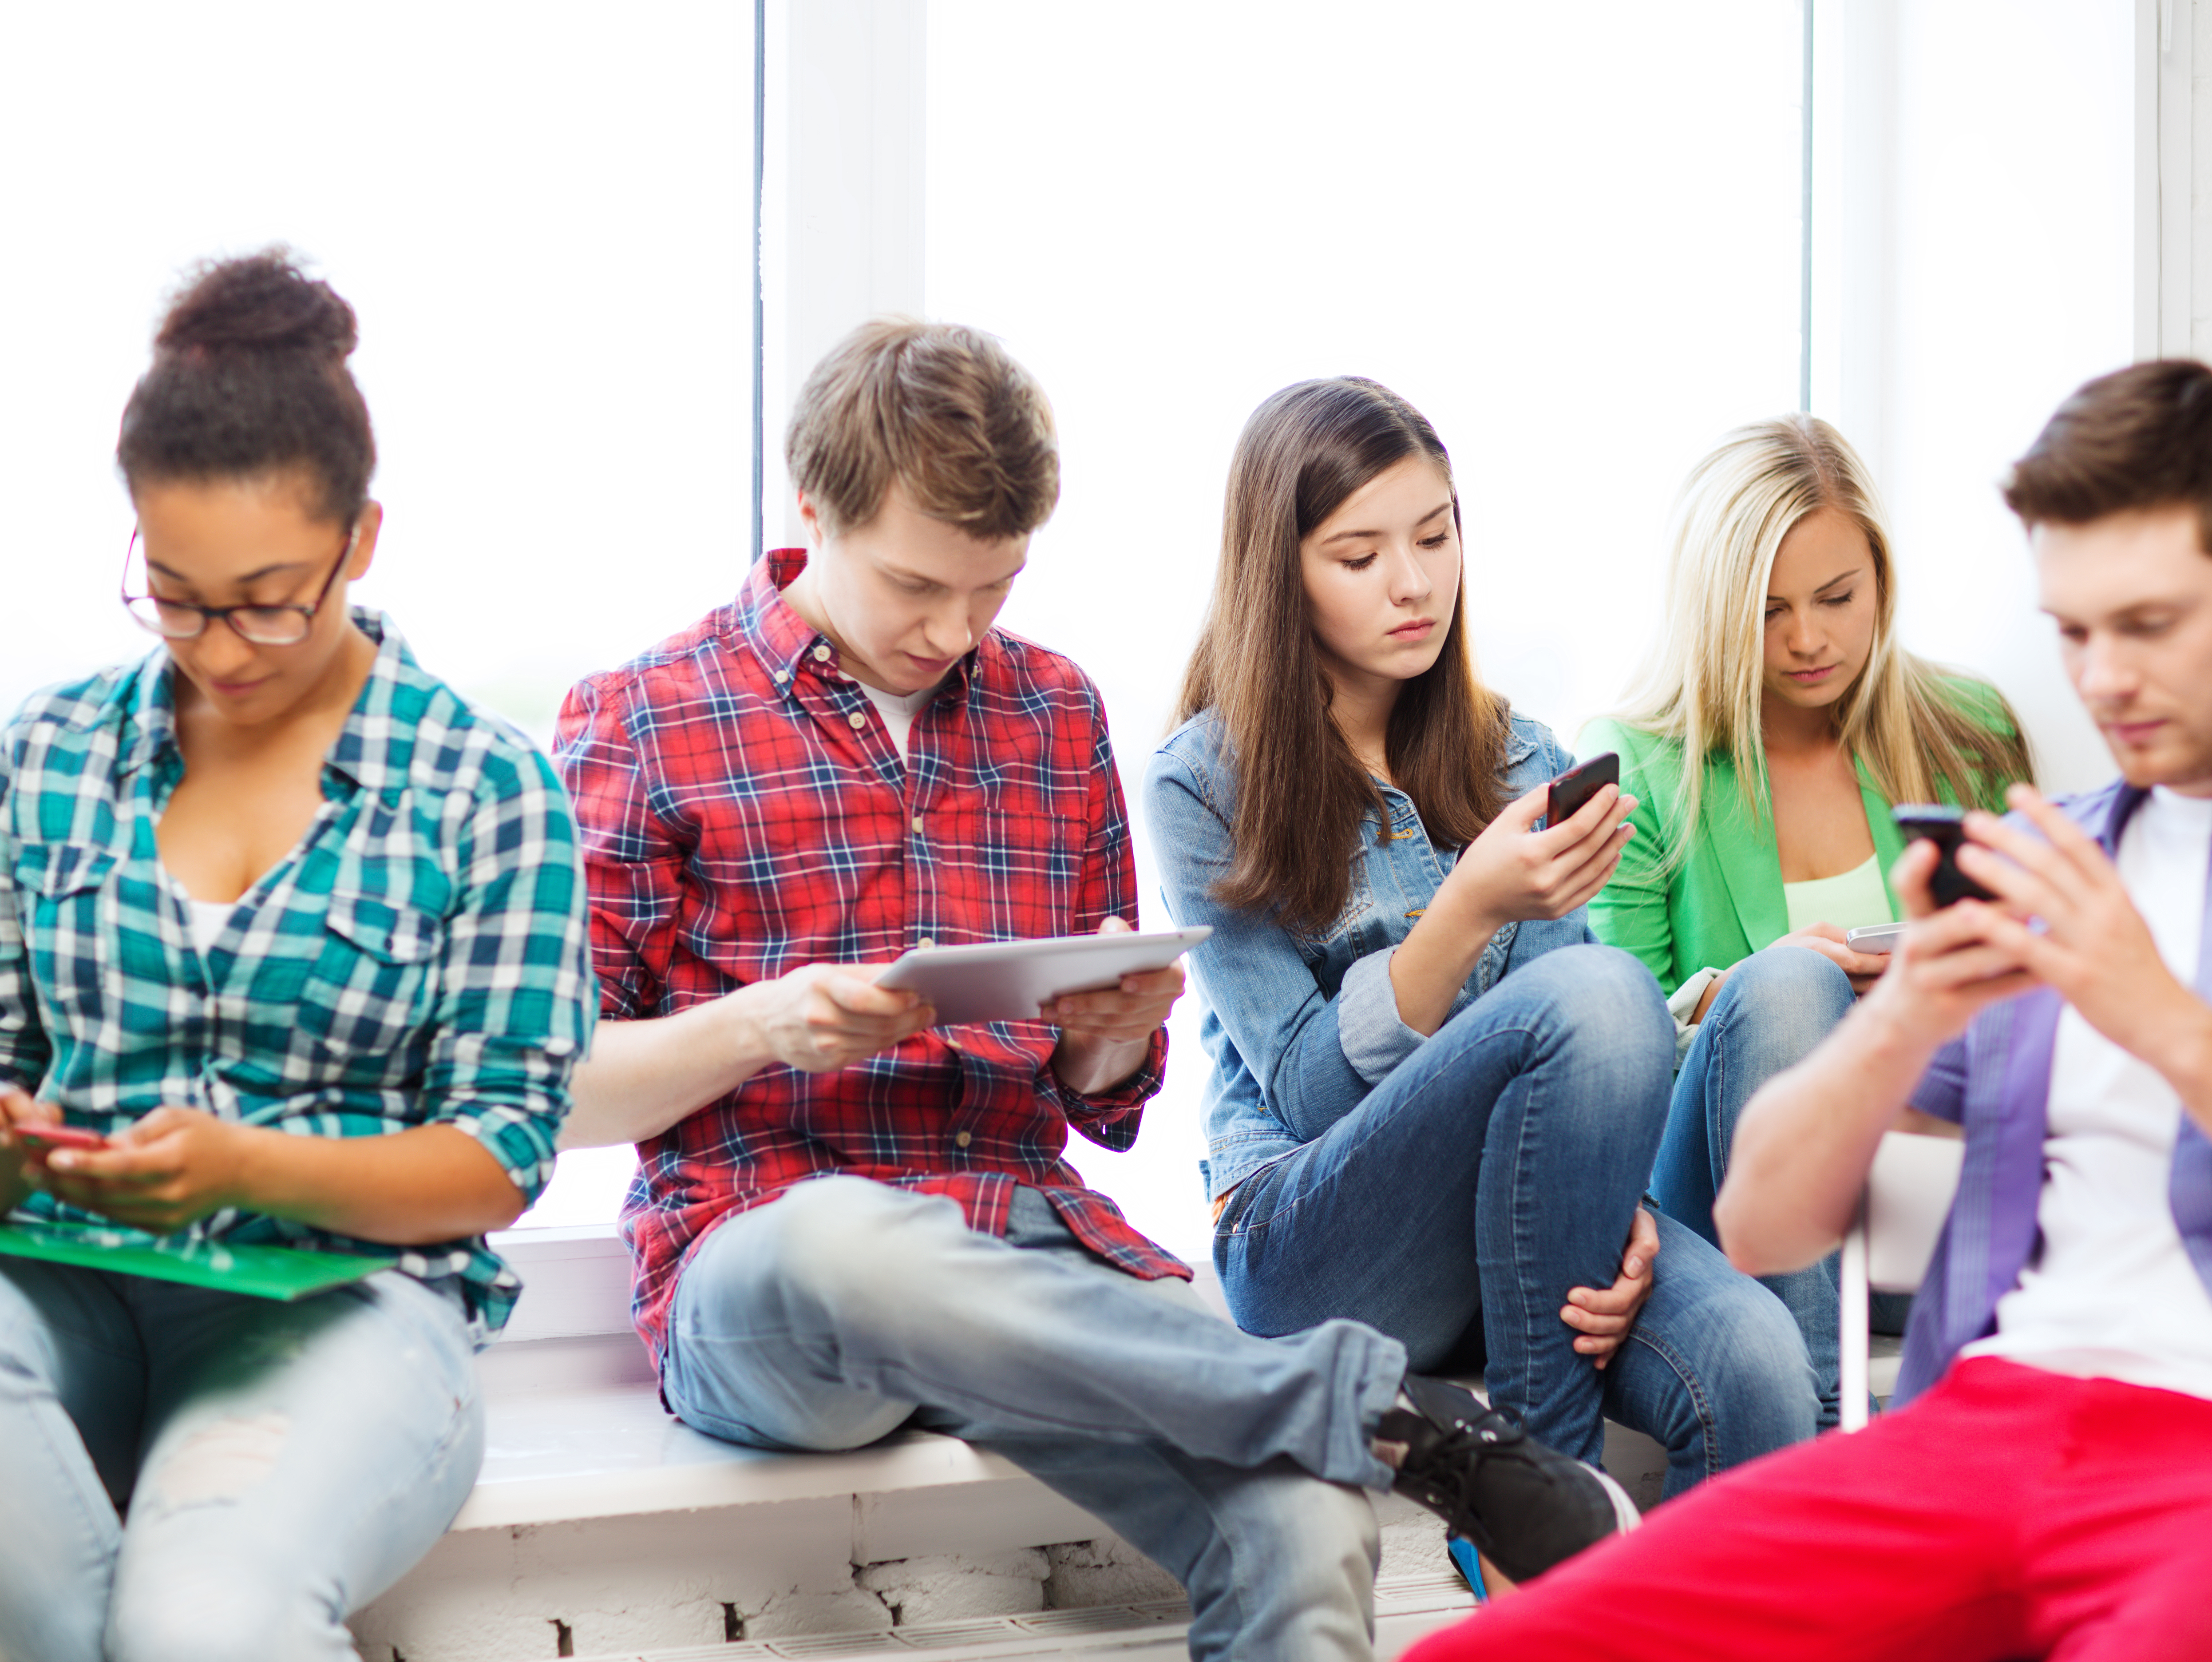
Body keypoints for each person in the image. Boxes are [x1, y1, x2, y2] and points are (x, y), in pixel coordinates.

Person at [551, 322, 1639, 1662]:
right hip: (768, 1266)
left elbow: (1102, 1113)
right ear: (812, 509)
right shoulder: (645, 714)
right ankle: (1377, 1409)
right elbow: (552, 1091)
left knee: (1304, 1527)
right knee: (842, 1242)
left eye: (994, 587)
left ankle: (1353, 1433)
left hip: (1023, 1255)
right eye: (915, 586)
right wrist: (761, 1023)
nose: (953, 632)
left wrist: (1106, 1048)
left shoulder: (1051, 711)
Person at [1405, 360, 2212, 1662]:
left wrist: (2162, 1019)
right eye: (2072, 633)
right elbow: (1757, 1224)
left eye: (2147, 626)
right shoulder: (2050, 853)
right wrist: (1905, 1008)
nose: (2101, 681)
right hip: (1980, 1433)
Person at [0, 252, 595, 1662]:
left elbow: (500, 1154)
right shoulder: (46, 752)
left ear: (362, 539)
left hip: (344, 1307)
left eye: (269, 596)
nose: (222, 649)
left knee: (205, 1623)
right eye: (175, 593)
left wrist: (247, 1165)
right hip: (62, 1276)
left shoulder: (485, 789)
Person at [1146, 377, 1819, 1563]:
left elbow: (1594, 1070)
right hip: (1319, 1249)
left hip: (1524, 1233)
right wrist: (1466, 905)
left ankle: (1647, 1622)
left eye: (1434, 535)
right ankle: (1532, 1494)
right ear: (1277, 570)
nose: (1413, 583)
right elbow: (1306, 1092)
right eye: (1358, 554)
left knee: (1757, 1370)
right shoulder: (1201, 785)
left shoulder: (1523, 756)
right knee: (1595, 990)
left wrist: (1622, 1221)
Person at [1580, 416, 2029, 1421]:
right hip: (1740, 1199)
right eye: (1768, 609)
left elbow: (2033, 994)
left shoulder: (1966, 735)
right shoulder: (1643, 766)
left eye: (1837, 597)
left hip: (1925, 1180)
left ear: (1880, 578)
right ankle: (1820, 1446)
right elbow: (1606, 1047)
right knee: (1788, 987)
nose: (1808, 639)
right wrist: (1748, 989)